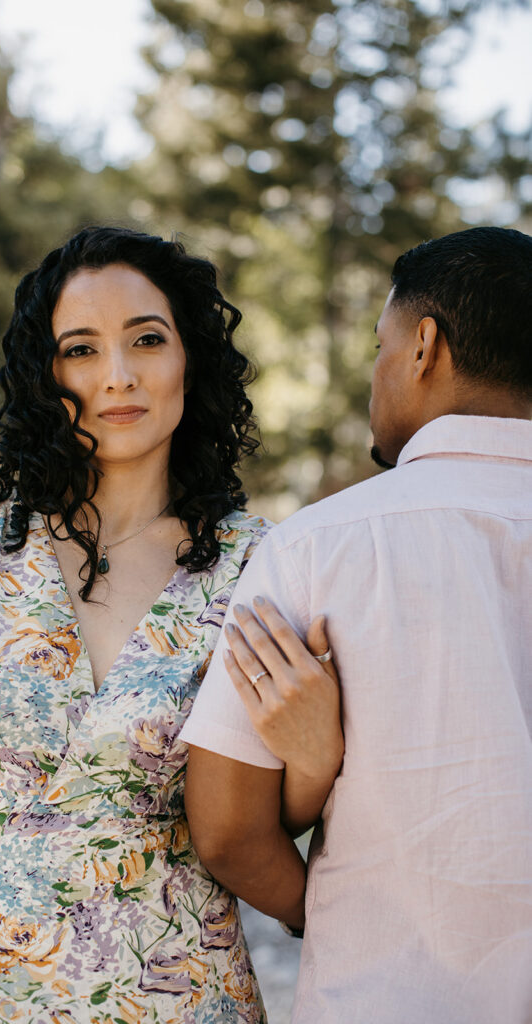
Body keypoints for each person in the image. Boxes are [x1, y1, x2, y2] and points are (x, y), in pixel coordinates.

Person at [0, 226, 343, 1023]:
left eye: (146, 339)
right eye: (80, 349)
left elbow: (260, 821)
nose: (118, 376)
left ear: (190, 359)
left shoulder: (263, 565)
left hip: (176, 993)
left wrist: (315, 756)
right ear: (46, 375)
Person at [180, 226, 532, 1024]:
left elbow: (229, 830)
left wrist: (330, 916)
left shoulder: (316, 549)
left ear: (422, 346)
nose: (374, 374)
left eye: (379, 345)